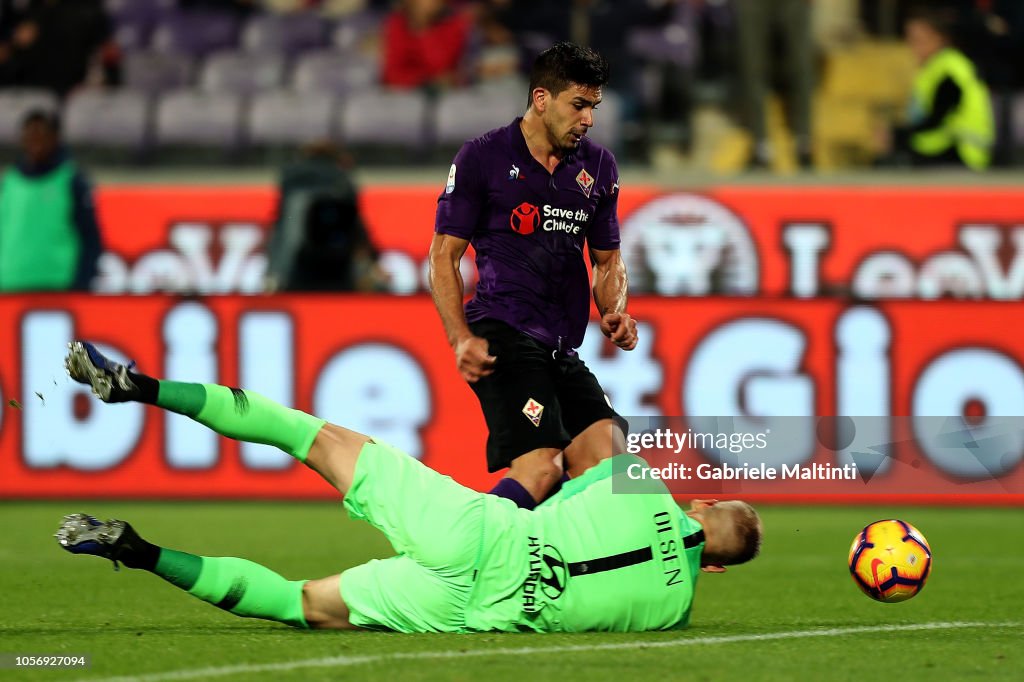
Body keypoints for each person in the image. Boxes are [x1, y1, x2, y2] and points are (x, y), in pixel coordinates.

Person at [58, 340, 762, 633]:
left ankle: (140, 385)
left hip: (475, 529)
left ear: (701, 502)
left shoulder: (638, 484)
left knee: (306, 436)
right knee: (304, 605)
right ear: (721, 566)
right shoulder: (674, 613)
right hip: (478, 606)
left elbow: (575, 457)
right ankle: (139, 550)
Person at [428, 41, 638, 511]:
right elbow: (444, 255)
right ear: (542, 99)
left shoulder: (599, 167)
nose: (588, 119)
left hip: (559, 344)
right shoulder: (482, 157)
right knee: (542, 466)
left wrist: (615, 310)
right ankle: (472, 556)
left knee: (612, 465)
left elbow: (607, 261)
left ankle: (556, 573)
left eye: (594, 107)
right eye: (578, 105)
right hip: (501, 331)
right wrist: (460, 337)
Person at [0, 109, 104, 292]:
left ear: (55, 138)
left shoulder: (71, 181)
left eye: (42, 134)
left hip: (58, 284)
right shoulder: (9, 182)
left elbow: (90, 239)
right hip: (10, 285)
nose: (35, 141)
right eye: (30, 134)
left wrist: (82, 284)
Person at [264, 140, 386, 293]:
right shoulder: (342, 182)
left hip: (293, 270)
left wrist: (273, 272)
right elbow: (354, 226)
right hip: (336, 269)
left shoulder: (291, 184)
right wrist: (375, 260)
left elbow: (282, 230)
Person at [885, 7, 994, 170]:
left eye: (919, 40)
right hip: (944, 153)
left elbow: (938, 117)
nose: (913, 47)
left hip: (960, 154)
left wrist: (898, 136)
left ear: (939, 38)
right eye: (910, 40)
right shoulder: (934, 68)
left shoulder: (950, 69)